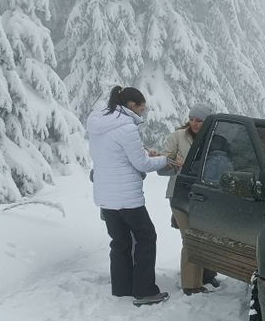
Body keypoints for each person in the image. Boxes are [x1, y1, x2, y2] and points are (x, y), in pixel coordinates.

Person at [87, 86, 174, 306]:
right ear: (132, 106)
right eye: (142, 109)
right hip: (127, 197)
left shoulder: (98, 123)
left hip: (106, 196)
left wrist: (145, 153)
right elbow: (141, 164)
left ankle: (122, 287)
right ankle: (144, 291)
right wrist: (164, 160)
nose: (142, 114)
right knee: (147, 237)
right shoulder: (126, 127)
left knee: (120, 242)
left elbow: (114, 156)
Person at [163, 103, 221, 295]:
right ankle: (191, 285)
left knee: (206, 236)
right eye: (192, 119)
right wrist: (172, 163)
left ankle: (206, 274)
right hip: (180, 195)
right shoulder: (178, 137)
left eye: (199, 120)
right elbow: (161, 166)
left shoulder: (215, 139)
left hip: (206, 196)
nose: (194, 123)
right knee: (190, 238)